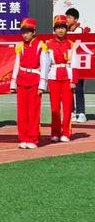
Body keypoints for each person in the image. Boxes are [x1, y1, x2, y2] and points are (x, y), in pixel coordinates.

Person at [9, 18, 49, 149]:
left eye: (27, 32)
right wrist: (13, 84)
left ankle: (32, 138)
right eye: (23, 32)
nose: (25, 35)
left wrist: (42, 86)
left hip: (34, 81)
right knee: (22, 112)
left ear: (34, 32)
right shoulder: (20, 46)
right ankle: (23, 138)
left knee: (33, 111)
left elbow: (44, 67)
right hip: (22, 79)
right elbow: (16, 65)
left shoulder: (41, 46)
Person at [47, 15, 77, 143]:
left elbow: (75, 64)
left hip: (67, 77)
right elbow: (45, 64)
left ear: (66, 29)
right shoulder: (48, 44)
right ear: (54, 29)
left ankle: (66, 132)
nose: (60, 30)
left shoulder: (72, 44)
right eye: (58, 28)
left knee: (67, 106)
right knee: (54, 108)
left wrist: (73, 81)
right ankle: (55, 132)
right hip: (53, 76)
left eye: (63, 27)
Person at [66, 7, 87, 123]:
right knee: (69, 89)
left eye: (69, 17)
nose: (67, 20)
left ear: (76, 19)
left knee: (78, 88)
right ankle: (72, 112)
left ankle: (81, 112)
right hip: (68, 64)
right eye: (66, 17)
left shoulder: (80, 30)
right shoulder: (64, 30)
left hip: (80, 64)